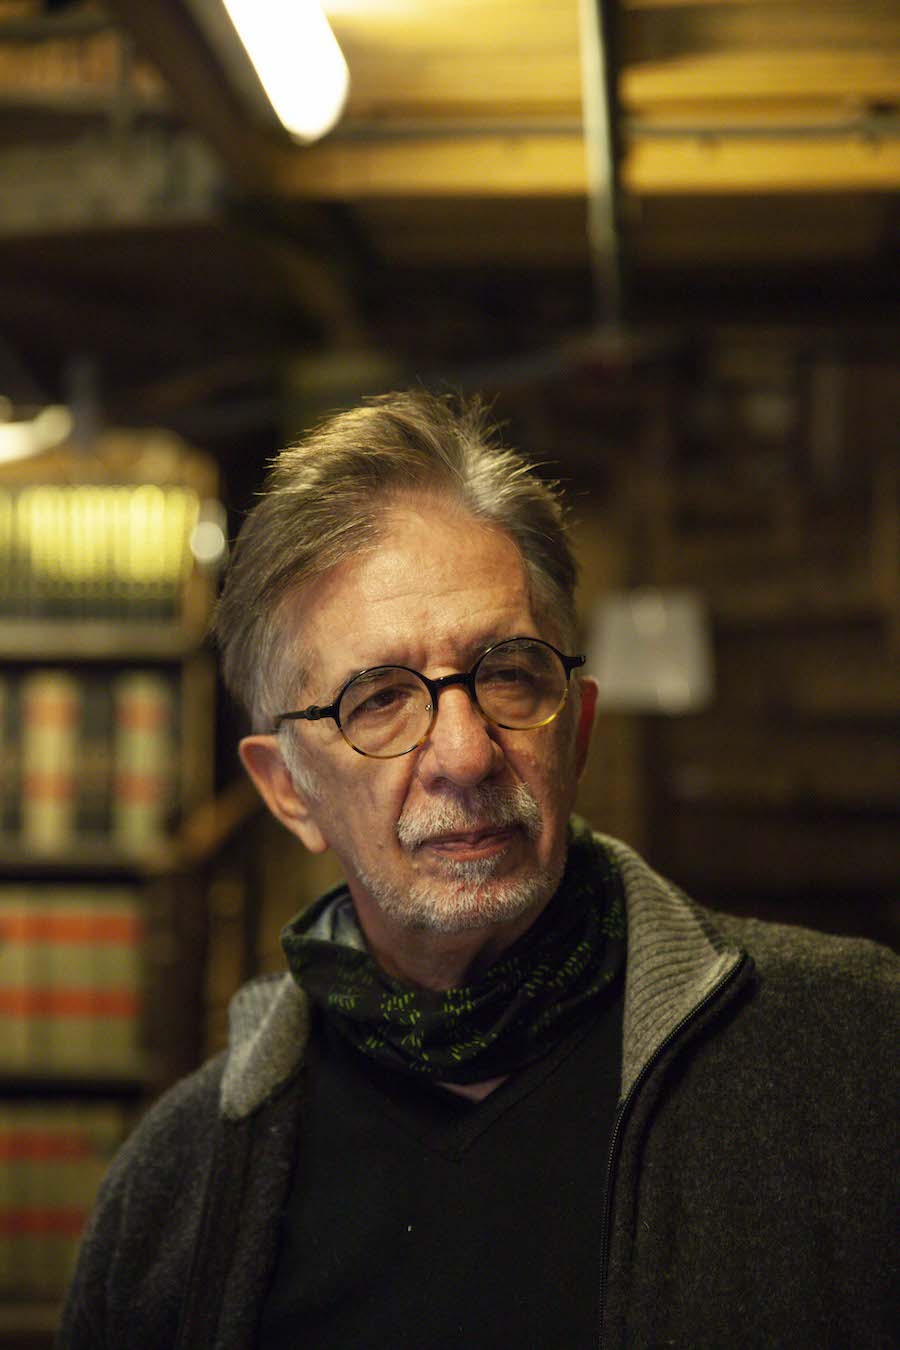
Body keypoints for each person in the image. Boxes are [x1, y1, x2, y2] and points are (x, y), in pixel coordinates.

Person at [60, 391, 897, 1349]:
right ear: (288, 790)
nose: (465, 754)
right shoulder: (173, 1188)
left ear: (576, 728)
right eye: (379, 698)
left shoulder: (858, 1059)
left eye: (507, 674)